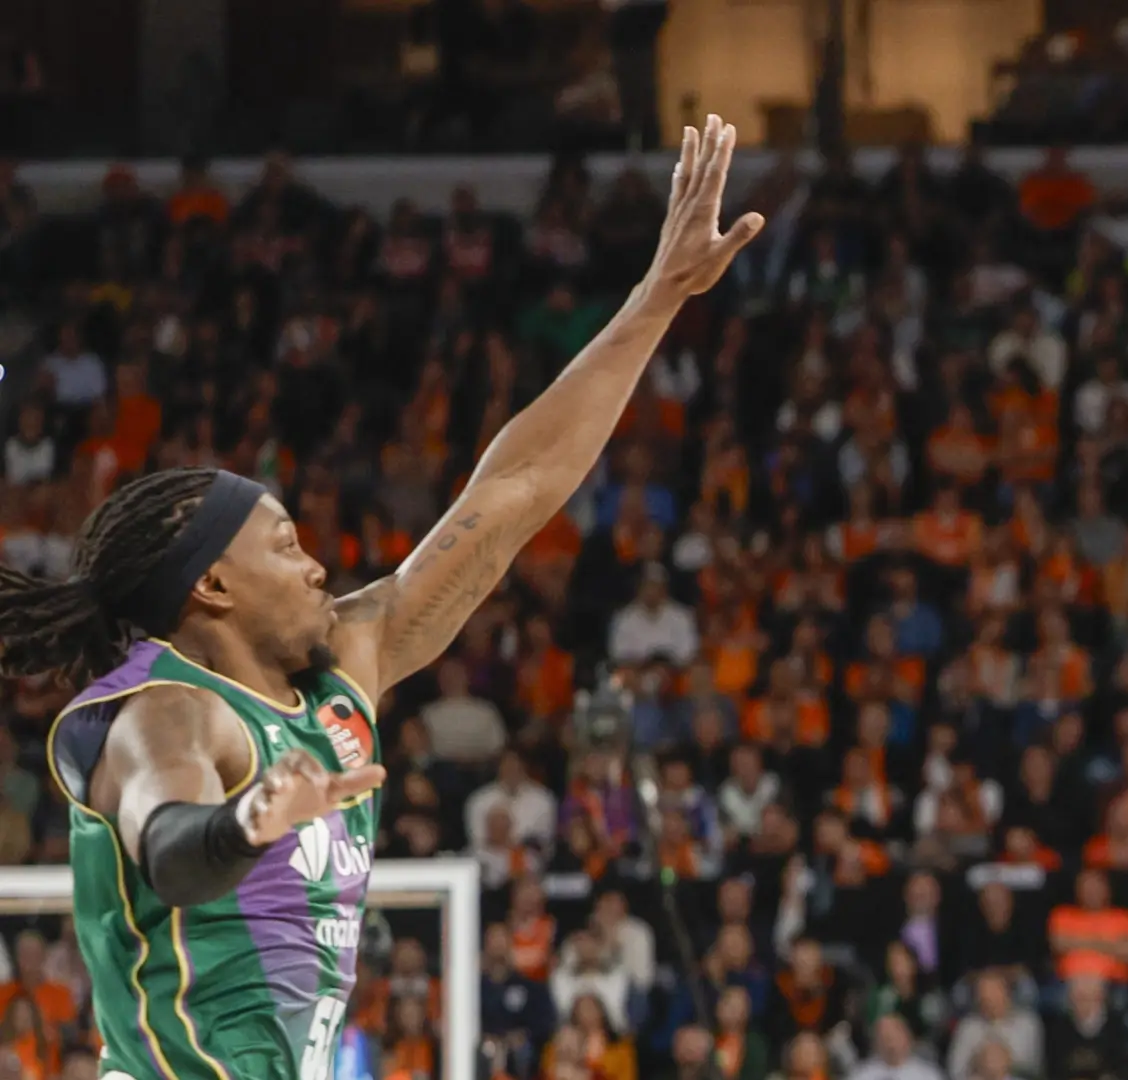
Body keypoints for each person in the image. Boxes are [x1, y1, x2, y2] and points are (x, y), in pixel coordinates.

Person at [2, 116, 762, 1080]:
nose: (318, 566)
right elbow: (170, 844)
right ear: (213, 585)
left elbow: (513, 491)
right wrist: (250, 821)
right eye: (286, 544)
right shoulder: (166, 711)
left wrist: (658, 298)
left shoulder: (338, 677)